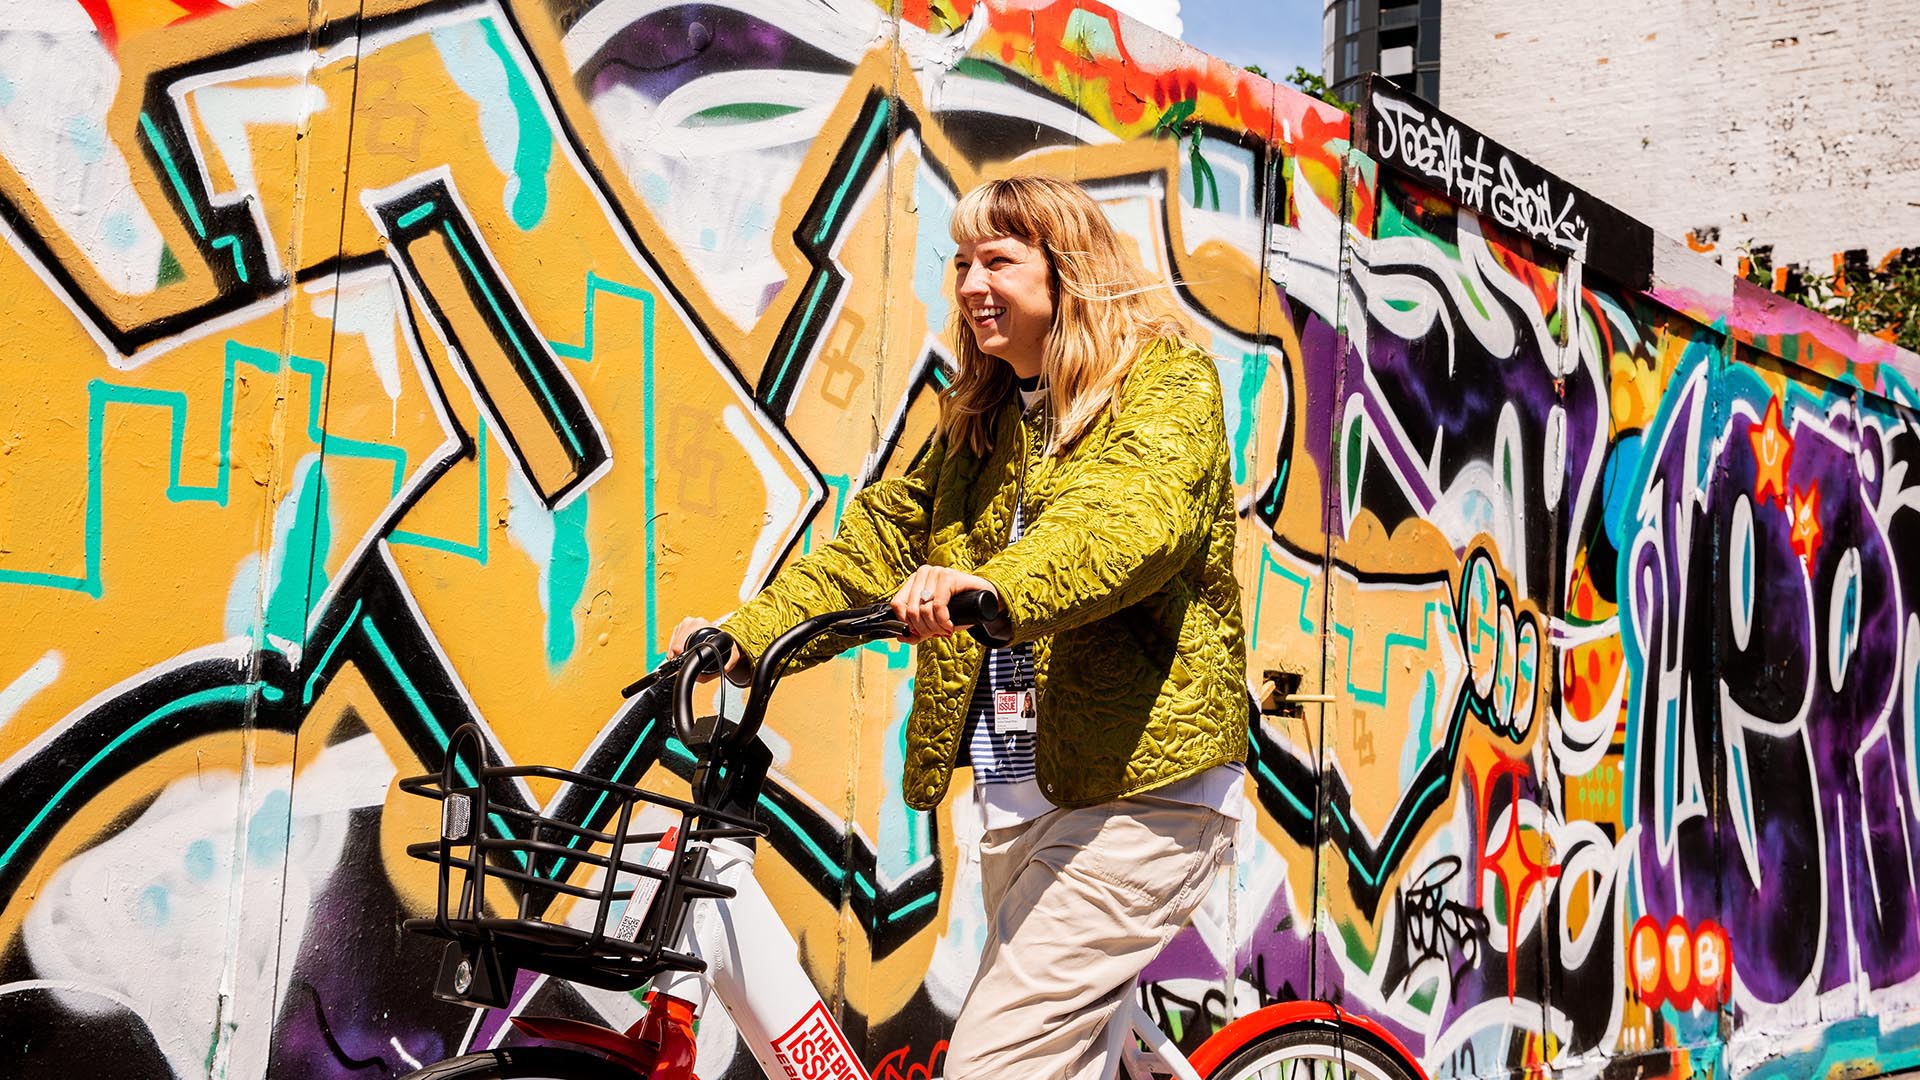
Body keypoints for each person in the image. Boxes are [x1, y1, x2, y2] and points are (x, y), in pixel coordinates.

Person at [668, 174, 1247, 1080]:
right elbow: (870, 550)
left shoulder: (1164, 386)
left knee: (989, 1067)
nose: (974, 283)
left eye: (1001, 261)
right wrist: (744, 635)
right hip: (1020, 802)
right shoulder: (978, 421)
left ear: (1069, 272)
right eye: (963, 262)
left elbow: (1126, 522)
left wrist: (991, 581)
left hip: (1140, 801)